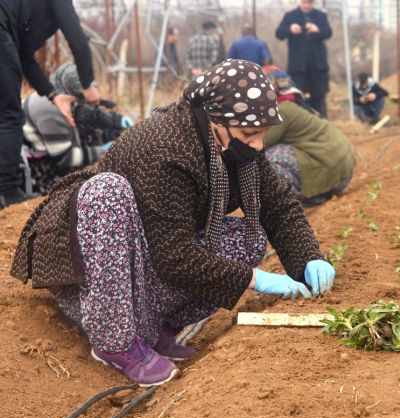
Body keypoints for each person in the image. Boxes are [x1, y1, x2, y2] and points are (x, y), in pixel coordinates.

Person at [11, 60, 336, 386]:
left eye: (262, 134)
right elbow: (173, 255)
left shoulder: (236, 146)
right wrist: (254, 279)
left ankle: (151, 327)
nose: (258, 144)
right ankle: (116, 342)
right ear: (215, 121)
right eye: (249, 134)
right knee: (106, 191)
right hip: (88, 263)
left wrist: (308, 258)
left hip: (144, 254)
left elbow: (280, 207)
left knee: (247, 240)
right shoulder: (167, 146)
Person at [0, 0, 101, 208]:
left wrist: (53, 94)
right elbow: (77, 39)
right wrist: (87, 83)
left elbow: (23, 55)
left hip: (6, 35)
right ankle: (7, 192)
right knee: (9, 115)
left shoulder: (27, 14)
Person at [22, 64, 133, 193]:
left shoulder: (60, 94)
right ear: (73, 95)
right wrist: (103, 150)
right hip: (37, 164)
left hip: (52, 148)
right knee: (71, 187)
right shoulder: (48, 111)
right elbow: (65, 158)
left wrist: (117, 120)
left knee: (93, 133)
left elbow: (87, 113)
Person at [262, 66, 355, 206]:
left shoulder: (282, 110)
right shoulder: (293, 101)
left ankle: (307, 198)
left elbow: (260, 142)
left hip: (333, 172)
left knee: (265, 159)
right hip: (342, 172)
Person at [275, 0, 332, 118]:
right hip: (297, 65)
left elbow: (328, 33)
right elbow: (279, 34)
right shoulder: (290, 16)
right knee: (297, 95)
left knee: (319, 96)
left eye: (310, 3)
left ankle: (321, 122)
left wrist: (318, 30)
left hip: (317, 65)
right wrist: (290, 29)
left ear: (313, 3)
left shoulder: (320, 16)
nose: (307, 6)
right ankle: (299, 122)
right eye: (305, 3)